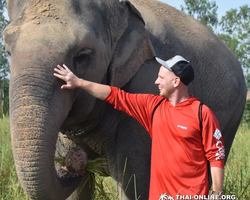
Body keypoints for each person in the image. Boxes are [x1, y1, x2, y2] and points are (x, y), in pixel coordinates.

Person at [53, 55, 225, 200]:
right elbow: (115, 96)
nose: (156, 82)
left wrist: (217, 194)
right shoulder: (153, 107)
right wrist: (79, 82)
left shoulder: (202, 114)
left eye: (161, 78)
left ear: (176, 81)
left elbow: (216, 156)